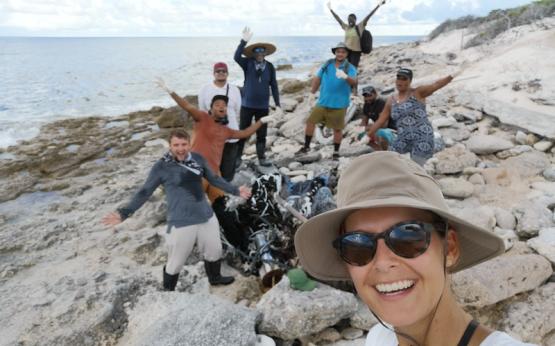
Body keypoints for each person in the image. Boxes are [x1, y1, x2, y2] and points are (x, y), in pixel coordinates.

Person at [294, 151, 536, 346]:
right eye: (357, 246)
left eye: (407, 237)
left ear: (449, 248)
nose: (382, 262)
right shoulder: (379, 338)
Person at [102, 129, 252, 290]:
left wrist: (236, 190)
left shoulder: (198, 159)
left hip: (206, 216)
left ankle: (215, 278)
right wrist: (124, 213)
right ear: (170, 146)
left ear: (189, 144)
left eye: (184, 144)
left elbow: (214, 179)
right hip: (181, 222)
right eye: (176, 145)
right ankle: (168, 291)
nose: (180, 148)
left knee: (214, 251)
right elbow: (145, 191)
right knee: (175, 262)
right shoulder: (161, 167)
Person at [155, 77, 276, 203]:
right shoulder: (202, 118)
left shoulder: (226, 131)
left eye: (224, 105)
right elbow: (187, 106)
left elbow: (245, 133)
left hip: (214, 174)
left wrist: (262, 121)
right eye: (217, 104)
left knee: (220, 205)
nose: (221, 107)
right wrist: (170, 91)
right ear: (211, 109)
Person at [366, 68, 455, 166]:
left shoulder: (418, 92)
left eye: (404, 79)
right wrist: (368, 135)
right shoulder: (391, 100)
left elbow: (436, 85)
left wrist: (452, 75)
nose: (400, 81)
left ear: (410, 81)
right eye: (398, 78)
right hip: (403, 137)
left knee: (416, 166)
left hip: (422, 136)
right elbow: (380, 121)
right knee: (391, 161)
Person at [297, 42, 357, 160]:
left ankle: (336, 152)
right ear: (335, 52)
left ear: (347, 54)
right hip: (323, 102)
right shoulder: (327, 64)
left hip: (340, 104)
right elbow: (317, 78)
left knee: (337, 129)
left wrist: (346, 77)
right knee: (310, 122)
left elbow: (354, 83)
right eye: (338, 51)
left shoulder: (350, 68)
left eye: (343, 52)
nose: (340, 54)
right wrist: (312, 93)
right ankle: (306, 146)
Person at [234, 27, 282, 167]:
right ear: (253, 53)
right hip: (247, 105)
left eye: (262, 51)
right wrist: (243, 41)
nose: (260, 53)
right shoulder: (247, 63)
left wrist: (278, 104)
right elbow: (236, 57)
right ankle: (238, 158)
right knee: (243, 132)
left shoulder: (270, 67)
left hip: (262, 106)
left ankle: (261, 157)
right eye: (257, 51)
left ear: (265, 53)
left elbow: (274, 85)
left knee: (262, 134)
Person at [198, 62, 242, 182]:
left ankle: (227, 187)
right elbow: (202, 111)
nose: (221, 73)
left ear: (227, 73)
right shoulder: (205, 89)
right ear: (214, 73)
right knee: (212, 164)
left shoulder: (234, 90)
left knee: (229, 164)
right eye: (218, 71)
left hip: (231, 134)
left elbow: (238, 109)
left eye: (223, 71)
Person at [327, 0, 385, 68]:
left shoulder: (359, 27)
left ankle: (353, 78)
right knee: (345, 68)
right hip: (347, 52)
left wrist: (378, 5)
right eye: (349, 19)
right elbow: (338, 19)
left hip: (356, 52)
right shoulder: (346, 27)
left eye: (352, 19)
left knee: (353, 69)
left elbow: (369, 15)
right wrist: (331, 9)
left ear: (355, 20)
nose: (350, 21)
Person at [359, 86, 392, 151]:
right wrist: (358, 130)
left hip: (391, 129)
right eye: (366, 96)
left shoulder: (380, 103)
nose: (367, 98)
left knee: (380, 133)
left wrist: (369, 127)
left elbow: (384, 125)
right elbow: (364, 122)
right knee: (361, 135)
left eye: (370, 95)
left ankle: (386, 151)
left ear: (375, 94)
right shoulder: (366, 105)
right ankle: (378, 150)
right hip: (378, 128)